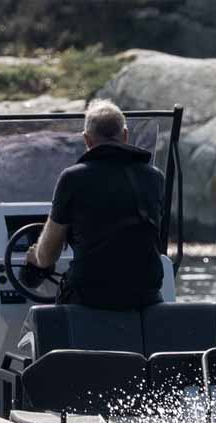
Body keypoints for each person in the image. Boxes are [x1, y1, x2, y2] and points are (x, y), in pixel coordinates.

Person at [25, 99, 165, 310]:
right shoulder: (154, 178)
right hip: (147, 294)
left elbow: (47, 257)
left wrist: (34, 257)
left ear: (87, 140)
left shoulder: (73, 178)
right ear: (125, 135)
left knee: (33, 326)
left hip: (91, 295)